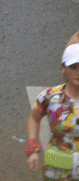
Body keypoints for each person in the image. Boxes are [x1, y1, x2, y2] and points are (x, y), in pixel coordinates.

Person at [26, 46, 79, 176]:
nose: (78, 72)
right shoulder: (49, 96)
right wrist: (32, 146)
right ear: (63, 68)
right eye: (73, 67)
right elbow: (34, 118)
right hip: (56, 171)